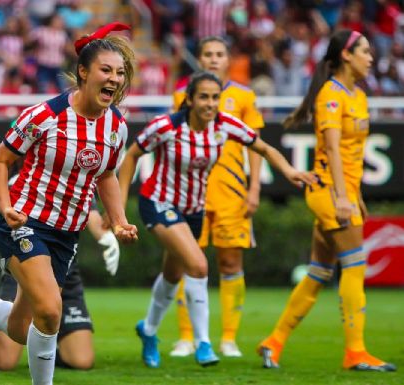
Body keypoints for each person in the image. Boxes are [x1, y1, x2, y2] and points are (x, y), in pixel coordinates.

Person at [0, 22, 139, 385]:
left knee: (20, 328)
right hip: (25, 221)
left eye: (120, 73)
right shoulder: (44, 116)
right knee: (49, 311)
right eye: (106, 70)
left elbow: (106, 175)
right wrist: (5, 205)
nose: (114, 79)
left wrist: (119, 219)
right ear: (83, 72)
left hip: (68, 232)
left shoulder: (117, 126)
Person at [118, 71, 315, 369]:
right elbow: (131, 156)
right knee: (198, 265)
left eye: (215, 97)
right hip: (159, 202)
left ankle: (148, 330)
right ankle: (204, 344)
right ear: (190, 99)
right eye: (204, 97)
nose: (210, 104)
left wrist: (290, 172)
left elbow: (264, 147)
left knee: (172, 275)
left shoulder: (225, 125)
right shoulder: (166, 126)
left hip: (193, 210)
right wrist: (118, 212)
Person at [257, 30, 397, 372]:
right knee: (355, 265)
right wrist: (342, 198)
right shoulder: (330, 96)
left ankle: (272, 342)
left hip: (344, 192)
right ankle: (355, 352)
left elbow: (353, 154)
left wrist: (357, 194)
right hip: (328, 192)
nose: (371, 57)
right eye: (364, 51)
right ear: (346, 56)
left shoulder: (359, 95)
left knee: (319, 272)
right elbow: (331, 149)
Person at [170, 36, 265, 358]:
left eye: (219, 54)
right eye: (207, 54)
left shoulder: (243, 96)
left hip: (232, 192)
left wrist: (254, 188)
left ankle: (228, 337)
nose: (213, 59)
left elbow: (255, 144)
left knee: (230, 262)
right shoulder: (182, 95)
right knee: (189, 262)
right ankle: (187, 337)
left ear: (228, 59)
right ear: (199, 59)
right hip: (191, 191)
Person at [0, 207, 120, 371]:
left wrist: (111, 231)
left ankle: (45, 346)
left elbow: (93, 206)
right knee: (5, 359)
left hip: (65, 266)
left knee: (81, 360)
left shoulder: (82, 183)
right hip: (28, 260)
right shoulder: (26, 183)